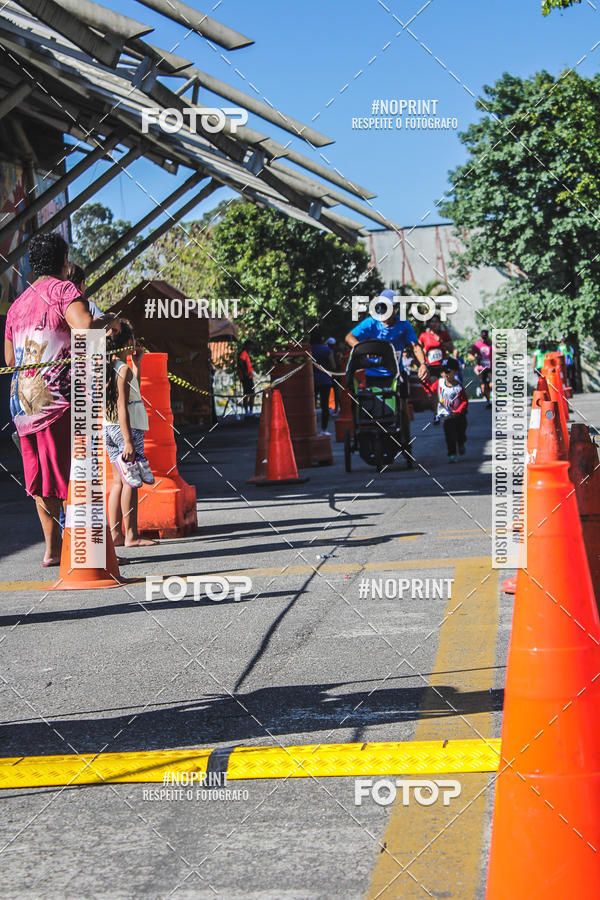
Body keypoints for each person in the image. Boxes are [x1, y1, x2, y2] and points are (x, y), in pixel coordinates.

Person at [3, 232, 105, 566]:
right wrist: (110, 324)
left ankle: (53, 548)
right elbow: (85, 327)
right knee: (74, 473)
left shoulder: (18, 304)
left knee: (40, 480)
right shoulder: (64, 290)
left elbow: (8, 360)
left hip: (22, 404)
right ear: (64, 261)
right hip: (56, 400)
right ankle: (86, 550)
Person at [104, 318, 156, 547]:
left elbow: (132, 393)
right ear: (127, 342)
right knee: (131, 482)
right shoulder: (122, 370)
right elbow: (124, 406)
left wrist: (138, 364)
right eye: (133, 338)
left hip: (108, 427)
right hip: (126, 429)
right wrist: (128, 441)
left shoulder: (109, 367)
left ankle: (115, 534)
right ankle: (132, 535)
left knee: (118, 482)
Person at [345, 289, 428, 381]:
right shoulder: (371, 323)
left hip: (395, 375)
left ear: (396, 306)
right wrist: (364, 350)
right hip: (372, 375)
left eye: (387, 306)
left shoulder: (403, 324)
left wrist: (423, 364)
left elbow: (415, 346)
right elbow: (349, 337)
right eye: (381, 306)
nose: (383, 310)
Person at [435, 358, 468, 462]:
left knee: (461, 433)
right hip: (447, 416)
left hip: (459, 416)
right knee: (450, 436)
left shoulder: (458, 387)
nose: (446, 374)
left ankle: (461, 442)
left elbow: (465, 401)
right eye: (444, 371)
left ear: (456, 372)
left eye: (449, 371)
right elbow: (430, 389)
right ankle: (452, 454)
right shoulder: (439, 383)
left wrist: (458, 412)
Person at [310, 333, 335, 435]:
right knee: (325, 406)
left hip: (312, 381)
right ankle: (324, 429)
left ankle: (312, 429)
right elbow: (333, 365)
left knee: (312, 406)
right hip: (325, 379)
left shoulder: (309, 350)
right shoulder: (327, 349)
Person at [468, 329, 493, 408]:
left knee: (493, 384)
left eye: (485, 338)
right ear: (480, 337)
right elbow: (470, 356)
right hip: (481, 368)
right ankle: (489, 402)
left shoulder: (491, 344)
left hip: (490, 367)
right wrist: (475, 357)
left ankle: (492, 395)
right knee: (483, 387)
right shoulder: (477, 345)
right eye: (482, 337)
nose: (483, 339)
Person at [237, 341, 255, 416]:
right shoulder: (243, 353)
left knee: (248, 394)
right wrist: (245, 373)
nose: (252, 348)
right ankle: (249, 412)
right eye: (251, 346)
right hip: (246, 378)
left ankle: (248, 412)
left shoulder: (245, 353)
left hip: (248, 376)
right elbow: (240, 362)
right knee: (250, 394)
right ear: (247, 346)